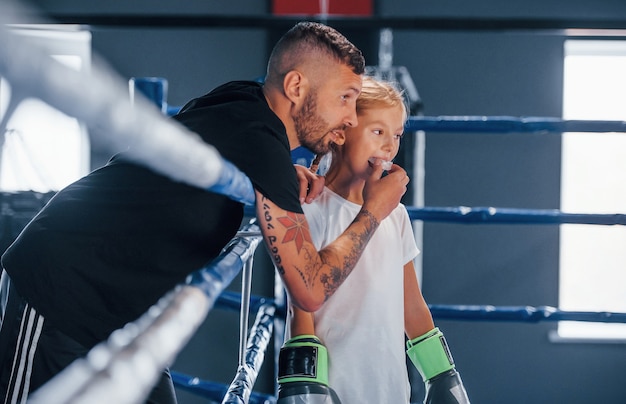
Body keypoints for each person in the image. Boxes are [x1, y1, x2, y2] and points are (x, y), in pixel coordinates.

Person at [0, 22, 409, 403]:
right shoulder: (262, 143)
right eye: (345, 98)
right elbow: (311, 289)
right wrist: (374, 210)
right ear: (297, 85)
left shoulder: (245, 102)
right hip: (60, 290)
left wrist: (277, 175)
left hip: (122, 318)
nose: (350, 118)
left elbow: (233, 146)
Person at [277, 76, 470, 403]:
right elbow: (301, 307)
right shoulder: (311, 209)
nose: (389, 146)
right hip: (332, 385)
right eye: (378, 131)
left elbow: (412, 303)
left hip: (389, 386)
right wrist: (304, 384)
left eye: (396, 135)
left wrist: (442, 375)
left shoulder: (396, 215)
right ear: (340, 131)